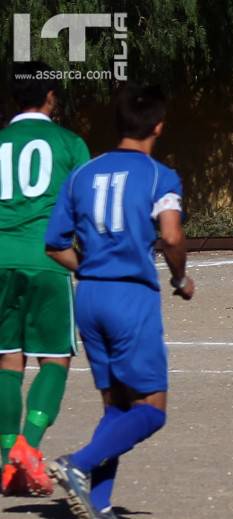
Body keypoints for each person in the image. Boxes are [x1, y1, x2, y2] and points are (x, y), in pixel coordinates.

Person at [44, 84, 193, 519]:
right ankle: (76, 465)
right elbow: (170, 235)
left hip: (89, 296)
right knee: (152, 411)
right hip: (131, 297)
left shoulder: (81, 174)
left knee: (118, 407)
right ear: (159, 126)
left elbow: (55, 244)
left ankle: (99, 504)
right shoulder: (158, 176)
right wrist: (181, 277)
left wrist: (89, 271)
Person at [0, 61, 90, 497]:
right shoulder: (69, 143)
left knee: (7, 360)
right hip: (47, 260)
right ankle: (27, 448)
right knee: (55, 359)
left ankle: (4, 458)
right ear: (51, 96)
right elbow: (86, 210)